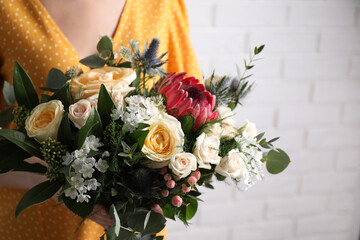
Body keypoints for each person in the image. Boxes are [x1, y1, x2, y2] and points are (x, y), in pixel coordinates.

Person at [0, 0, 202, 239]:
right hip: (37, 224)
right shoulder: (8, 7)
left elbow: (192, 120)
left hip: (133, 226)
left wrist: (169, 187)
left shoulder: (161, 5)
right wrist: (62, 184)